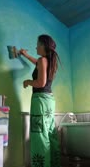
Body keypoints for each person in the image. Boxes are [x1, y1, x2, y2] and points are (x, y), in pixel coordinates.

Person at [20, 34, 61, 167]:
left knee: (39, 134)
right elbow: (37, 63)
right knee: (49, 132)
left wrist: (28, 81)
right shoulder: (48, 61)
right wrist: (25, 55)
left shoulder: (43, 60)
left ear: (43, 46)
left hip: (40, 100)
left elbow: (40, 83)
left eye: (38, 44)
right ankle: (54, 163)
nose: (36, 46)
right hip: (48, 101)